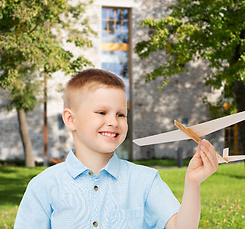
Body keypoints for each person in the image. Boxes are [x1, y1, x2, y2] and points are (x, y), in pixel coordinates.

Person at [14, 68, 218, 229]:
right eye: (102, 112)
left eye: (121, 114)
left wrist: (192, 183)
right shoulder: (43, 186)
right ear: (70, 119)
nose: (113, 121)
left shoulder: (145, 180)